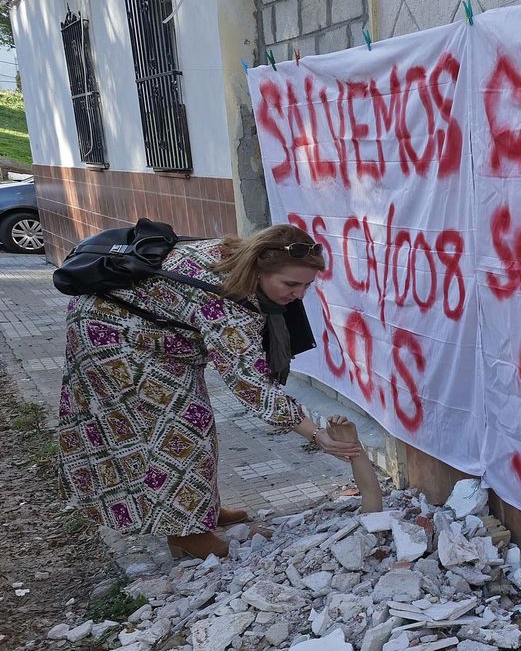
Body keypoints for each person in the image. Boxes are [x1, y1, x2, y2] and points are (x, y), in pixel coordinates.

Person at [56, 223, 362, 559]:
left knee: (195, 423)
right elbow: (250, 384)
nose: (299, 295)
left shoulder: (238, 258)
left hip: (157, 336)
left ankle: (199, 508)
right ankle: (187, 534)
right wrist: (316, 434)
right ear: (260, 268)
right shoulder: (226, 299)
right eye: (291, 284)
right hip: (113, 336)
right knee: (179, 430)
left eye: (307, 285)